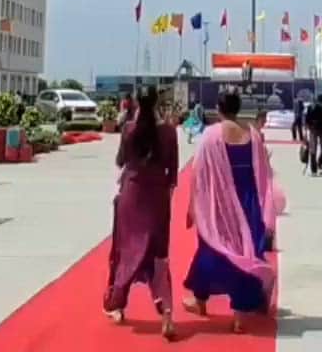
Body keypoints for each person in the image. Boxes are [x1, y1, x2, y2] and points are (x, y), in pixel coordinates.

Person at [183, 90, 276, 334]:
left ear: (219, 108)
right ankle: (238, 316)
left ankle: (200, 301)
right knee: (244, 254)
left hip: (220, 202)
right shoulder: (252, 135)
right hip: (247, 202)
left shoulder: (210, 135)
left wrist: (193, 206)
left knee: (211, 249)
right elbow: (263, 172)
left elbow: (198, 173)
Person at [104, 87, 179, 340]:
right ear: (158, 102)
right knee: (159, 256)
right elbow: (173, 171)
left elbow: (120, 160)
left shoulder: (129, 129)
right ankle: (166, 311)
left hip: (132, 195)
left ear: (136, 102)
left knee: (125, 250)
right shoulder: (168, 132)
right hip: (157, 197)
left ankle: (118, 305)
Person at [305, 94, 322, 175]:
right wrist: (307, 129)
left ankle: (319, 162)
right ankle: (314, 169)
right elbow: (307, 119)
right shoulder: (311, 107)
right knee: (313, 150)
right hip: (313, 130)